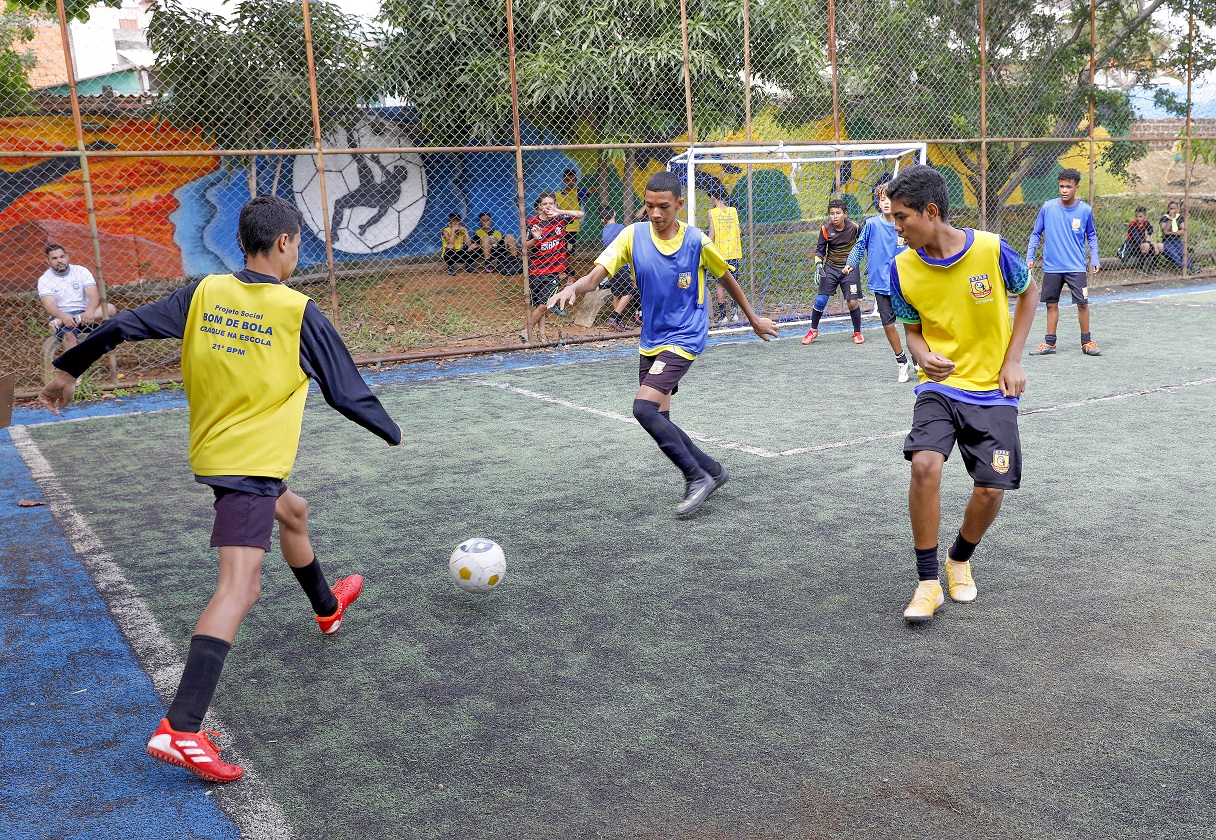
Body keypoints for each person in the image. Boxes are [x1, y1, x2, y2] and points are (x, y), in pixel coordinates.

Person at [39, 195, 402, 783]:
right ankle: (181, 727)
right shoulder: (297, 310)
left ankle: (327, 609)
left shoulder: (203, 294)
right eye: (299, 243)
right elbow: (345, 389)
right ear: (285, 243)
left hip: (218, 453)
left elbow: (126, 326)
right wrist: (391, 430)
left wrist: (67, 368)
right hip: (250, 466)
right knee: (239, 586)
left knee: (295, 512)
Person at [549, 171, 777, 516]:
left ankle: (695, 477)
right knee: (659, 417)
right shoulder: (632, 236)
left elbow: (726, 278)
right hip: (651, 339)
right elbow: (597, 275)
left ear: (679, 205)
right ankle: (713, 471)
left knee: (642, 409)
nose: (655, 213)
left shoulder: (696, 241)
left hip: (685, 335)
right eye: (649, 206)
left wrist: (753, 319)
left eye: (663, 207)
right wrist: (572, 288)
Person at [885, 164, 1038, 625]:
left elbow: (1028, 294)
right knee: (925, 464)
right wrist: (922, 356)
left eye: (902, 217)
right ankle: (928, 582)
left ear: (931, 212)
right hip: (940, 387)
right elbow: (911, 332)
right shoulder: (902, 268)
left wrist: (1012, 360)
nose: (897, 227)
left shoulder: (991, 249)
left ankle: (959, 559)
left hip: (992, 389)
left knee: (991, 489)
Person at [1025, 168, 1101, 356]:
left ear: (1076, 187)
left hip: (1076, 267)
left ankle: (1087, 342)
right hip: (1052, 267)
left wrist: (1095, 257)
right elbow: (1036, 233)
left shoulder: (1084, 210)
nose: (1064, 190)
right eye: (1061, 186)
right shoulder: (1047, 208)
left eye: (1068, 186)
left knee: (1082, 303)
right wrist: (1030, 256)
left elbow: (1091, 235)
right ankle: (1050, 343)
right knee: (1051, 304)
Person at [844, 184, 914, 382]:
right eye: (882, 200)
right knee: (888, 324)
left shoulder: (906, 224)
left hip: (906, 283)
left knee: (912, 323)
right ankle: (902, 362)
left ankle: (918, 357)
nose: (885, 203)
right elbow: (859, 246)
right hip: (881, 284)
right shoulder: (872, 224)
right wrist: (851, 263)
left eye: (889, 200)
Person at [802, 198, 864, 346]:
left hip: (850, 268)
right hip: (830, 267)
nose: (835, 216)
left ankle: (857, 332)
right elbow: (820, 251)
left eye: (838, 213)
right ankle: (813, 330)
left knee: (852, 302)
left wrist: (868, 263)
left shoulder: (856, 228)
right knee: (821, 300)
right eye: (832, 213)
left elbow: (864, 245)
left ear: (845, 214)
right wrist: (818, 265)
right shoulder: (825, 229)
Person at [523, 192, 583, 342]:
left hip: (553, 270)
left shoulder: (560, 218)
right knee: (541, 304)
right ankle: (542, 335)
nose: (548, 206)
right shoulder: (532, 222)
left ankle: (526, 330)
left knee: (545, 304)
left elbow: (580, 214)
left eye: (551, 203)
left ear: (555, 205)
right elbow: (526, 245)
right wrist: (535, 239)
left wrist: (560, 212)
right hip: (536, 269)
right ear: (539, 208)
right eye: (545, 204)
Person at [37, 244, 117, 350]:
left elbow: (93, 295)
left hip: (88, 315)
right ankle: (75, 364)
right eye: (54, 258)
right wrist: (63, 317)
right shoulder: (45, 279)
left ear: (67, 256)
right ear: (48, 261)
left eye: (62, 256)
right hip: (64, 317)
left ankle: (72, 320)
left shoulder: (81, 271)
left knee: (110, 308)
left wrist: (89, 310)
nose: (59, 261)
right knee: (69, 336)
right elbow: (50, 306)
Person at [706, 190, 743, 326]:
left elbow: (712, 233)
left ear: (714, 198)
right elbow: (739, 232)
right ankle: (734, 313)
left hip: (720, 253)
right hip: (734, 252)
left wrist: (705, 246)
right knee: (734, 283)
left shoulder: (712, 212)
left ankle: (723, 316)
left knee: (720, 284)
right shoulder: (733, 211)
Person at [599, 206, 636, 332]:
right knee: (629, 292)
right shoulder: (620, 227)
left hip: (611, 265)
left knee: (617, 293)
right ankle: (613, 317)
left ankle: (618, 321)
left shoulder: (604, 232)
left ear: (602, 220)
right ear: (614, 213)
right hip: (621, 264)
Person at [555, 168, 598, 257]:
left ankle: (570, 271)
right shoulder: (557, 194)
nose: (570, 182)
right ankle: (563, 269)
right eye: (567, 180)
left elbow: (590, 190)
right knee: (559, 251)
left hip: (571, 228)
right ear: (564, 180)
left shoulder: (577, 192)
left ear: (575, 180)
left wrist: (602, 184)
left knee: (570, 252)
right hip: (559, 227)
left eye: (573, 180)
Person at [1119, 206, 1164, 270]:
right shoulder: (1132, 225)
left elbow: (1150, 229)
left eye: (1140, 216)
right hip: (1134, 246)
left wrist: (1148, 235)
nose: (1138, 218)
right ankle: (1140, 268)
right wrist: (1153, 244)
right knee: (1146, 245)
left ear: (1145, 216)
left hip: (1143, 245)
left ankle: (1152, 267)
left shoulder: (1145, 222)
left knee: (1160, 246)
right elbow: (1138, 240)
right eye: (1136, 216)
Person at [1160, 200, 1191, 270]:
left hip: (1177, 240)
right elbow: (1165, 230)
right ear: (1168, 209)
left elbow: (1183, 231)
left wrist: (1172, 233)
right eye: (1171, 209)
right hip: (1167, 240)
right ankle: (1183, 268)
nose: (1173, 211)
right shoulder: (1164, 218)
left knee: (1184, 255)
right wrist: (1170, 219)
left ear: (1177, 209)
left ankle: (1189, 267)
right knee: (1174, 256)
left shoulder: (1179, 217)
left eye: (1174, 209)